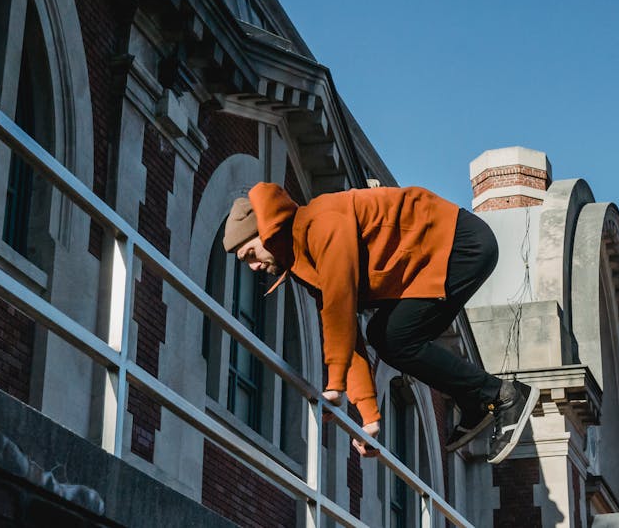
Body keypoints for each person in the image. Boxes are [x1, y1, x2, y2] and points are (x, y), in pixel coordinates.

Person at [222, 182, 538, 464]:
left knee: (394, 338)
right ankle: (478, 399)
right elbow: (348, 335)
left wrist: (335, 385)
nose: (252, 266)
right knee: (383, 336)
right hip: (433, 261)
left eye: (251, 253)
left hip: (459, 244)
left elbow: (339, 309)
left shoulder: (321, 223)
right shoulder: (304, 262)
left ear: (269, 231)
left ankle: (502, 395)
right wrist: (369, 417)